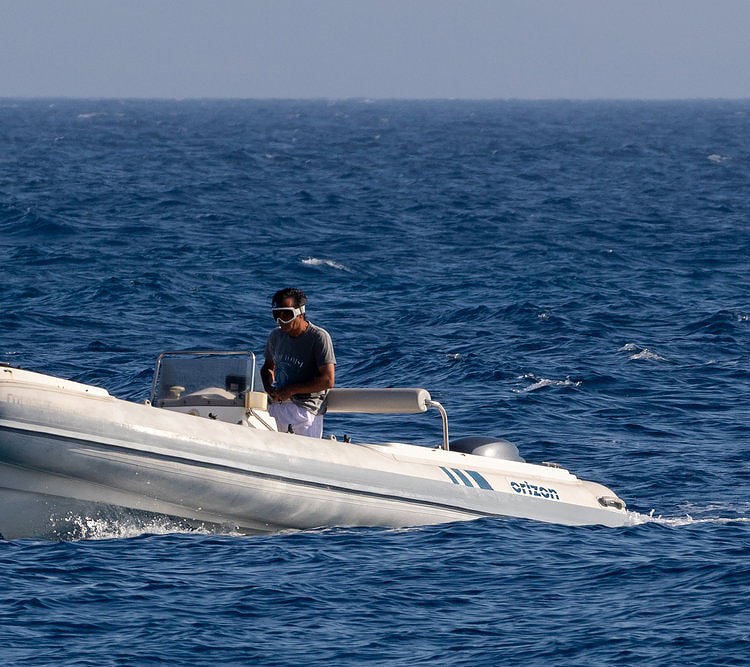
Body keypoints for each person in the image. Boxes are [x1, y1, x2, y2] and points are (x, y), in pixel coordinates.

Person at [261, 287, 336, 438]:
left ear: (300, 313)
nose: (281, 320)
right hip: (276, 406)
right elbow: (268, 368)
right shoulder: (276, 336)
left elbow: (328, 380)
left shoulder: (319, 337)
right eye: (277, 315)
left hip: (306, 411)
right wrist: (269, 388)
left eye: (287, 314)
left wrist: (291, 390)